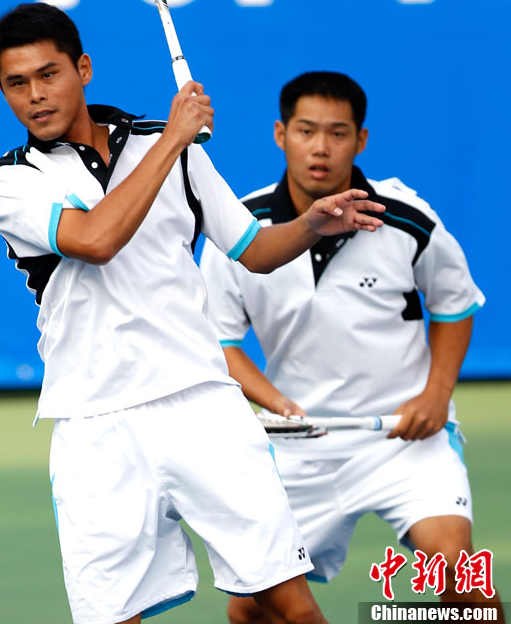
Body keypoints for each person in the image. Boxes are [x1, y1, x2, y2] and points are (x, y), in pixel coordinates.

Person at [0, 4, 385, 624]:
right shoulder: (11, 180)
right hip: (95, 424)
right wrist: (174, 138)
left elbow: (253, 250)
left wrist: (309, 225)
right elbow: (95, 240)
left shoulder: (172, 147)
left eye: (48, 74)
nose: (35, 95)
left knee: (292, 608)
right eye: (17, 83)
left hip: (201, 403)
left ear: (82, 69)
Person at [199, 71, 504, 623]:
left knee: (461, 580)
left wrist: (436, 395)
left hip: (404, 439)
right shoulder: (238, 231)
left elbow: (455, 304)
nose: (321, 147)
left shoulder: (408, 220)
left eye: (337, 133)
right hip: (300, 447)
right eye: (306, 131)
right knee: (250, 612)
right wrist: (276, 402)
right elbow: (220, 341)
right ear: (280, 134)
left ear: (360, 140)